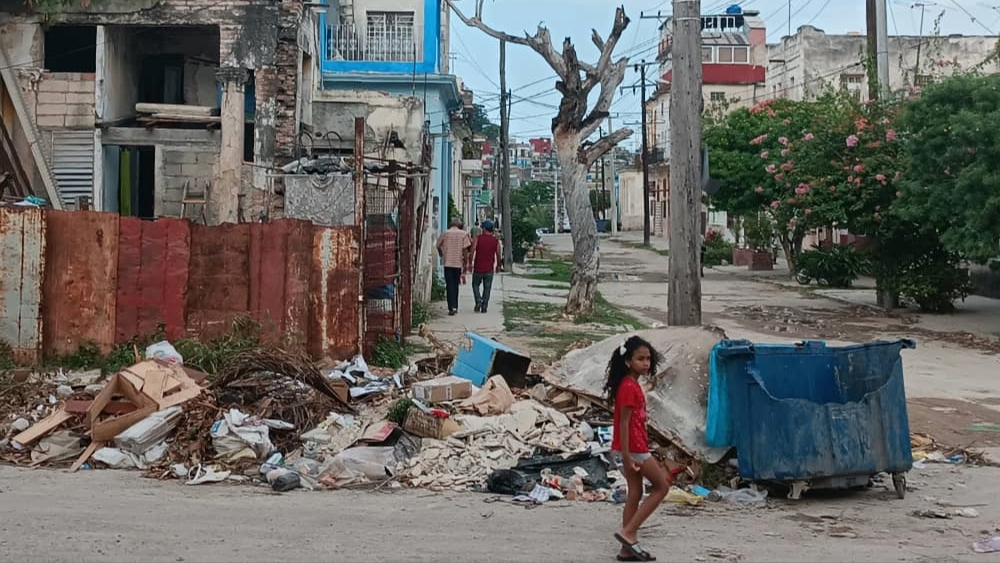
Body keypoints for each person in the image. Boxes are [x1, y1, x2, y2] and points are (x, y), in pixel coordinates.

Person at [606, 335, 674, 562]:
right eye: (640, 359)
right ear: (628, 361)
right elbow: (623, 423)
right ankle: (629, 532)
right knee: (662, 487)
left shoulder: (631, 385)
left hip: (631, 447)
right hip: (633, 449)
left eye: (647, 359)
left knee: (635, 493)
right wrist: (627, 456)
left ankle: (626, 550)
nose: (645, 363)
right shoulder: (628, 387)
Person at [436, 218, 472, 316]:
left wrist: (441, 254)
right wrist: (465, 262)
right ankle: (455, 305)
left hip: (447, 263)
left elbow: (438, 245)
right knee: (455, 285)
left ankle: (450, 306)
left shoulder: (445, 233)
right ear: (459, 225)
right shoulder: (463, 234)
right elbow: (465, 249)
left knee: (449, 285)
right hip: (457, 263)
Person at [470, 220, 503, 313]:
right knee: (487, 287)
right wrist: (499, 266)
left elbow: (472, 250)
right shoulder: (495, 241)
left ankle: (478, 300)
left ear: (484, 229)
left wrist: (469, 262)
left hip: (478, 267)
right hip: (489, 268)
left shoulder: (478, 238)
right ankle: (484, 306)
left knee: (475, 285)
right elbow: (498, 254)